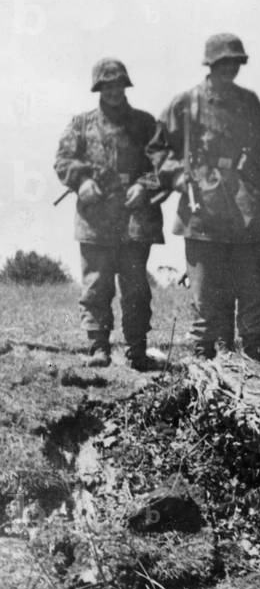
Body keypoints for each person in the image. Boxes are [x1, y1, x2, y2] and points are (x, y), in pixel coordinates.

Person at [147, 33, 260, 360]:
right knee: (207, 301)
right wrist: (175, 174)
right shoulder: (186, 103)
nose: (230, 70)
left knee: (254, 298)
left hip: (246, 210)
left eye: (235, 63)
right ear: (210, 65)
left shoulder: (248, 102)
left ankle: (257, 365)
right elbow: (155, 147)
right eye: (224, 63)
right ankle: (208, 369)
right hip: (203, 213)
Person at [54, 58, 164, 370]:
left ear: (125, 86)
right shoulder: (81, 124)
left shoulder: (145, 124)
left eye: (118, 84)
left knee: (135, 287)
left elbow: (163, 163)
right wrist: (82, 180)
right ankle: (98, 347)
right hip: (96, 217)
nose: (114, 91)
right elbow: (63, 160)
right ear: (98, 88)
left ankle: (137, 351)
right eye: (107, 85)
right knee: (96, 285)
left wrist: (145, 186)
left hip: (134, 216)